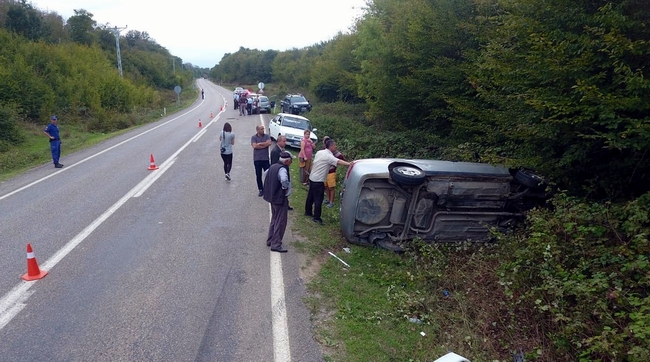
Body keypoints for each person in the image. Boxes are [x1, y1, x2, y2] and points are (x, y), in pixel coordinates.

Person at [305, 139, 351, 225]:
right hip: (319, 180)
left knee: (310, 196)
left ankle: (308, 211)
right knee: (318, 199)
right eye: (335, 145)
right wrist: (350, 164)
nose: (336, 147)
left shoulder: (319, 152)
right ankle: (316, 217)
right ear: (331, 146)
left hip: (312, 177)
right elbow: (339, 161)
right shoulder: (329, 156)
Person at [263, 151, 293, 253]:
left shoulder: (273, 166)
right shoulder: (282, 169)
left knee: (274, 219)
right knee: (280, 221)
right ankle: (276, 244)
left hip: (271, 197)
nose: (291, 163)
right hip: (279, 198)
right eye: (291, 161)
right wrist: (285, 188)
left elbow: (265, 174)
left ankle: (270, 240)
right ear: (287, 161)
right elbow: (284, 180)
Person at [270, 135, 294, 210]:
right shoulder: (275, 151)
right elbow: (274, 164)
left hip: (284, 171)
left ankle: (286, 204)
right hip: (280, 174)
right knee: (281, 189)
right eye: (284, 141)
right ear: (279, 141)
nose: (285, 143)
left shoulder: (281, 149)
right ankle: (282, 204)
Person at [322, 136, 345, 207]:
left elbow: (341, 159)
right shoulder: (325, 151)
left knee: (331, 187)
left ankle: (331, 202)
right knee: (326, 187)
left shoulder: (337, 154)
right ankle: (328, 199)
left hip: (331, 172)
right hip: (325, 171)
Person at [251, 124, 272, 196]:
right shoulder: (253, 137)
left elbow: (269, 143)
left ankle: (268, 189)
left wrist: (260, 144)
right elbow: (254, 146)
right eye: (261, 129)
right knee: (258, 175)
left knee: (268, 175)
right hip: (257, 160)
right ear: (257, 130)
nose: (263, 130)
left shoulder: (267, 136)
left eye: (263, 129)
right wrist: (264, 145)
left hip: (265, 159)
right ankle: (261, 189)